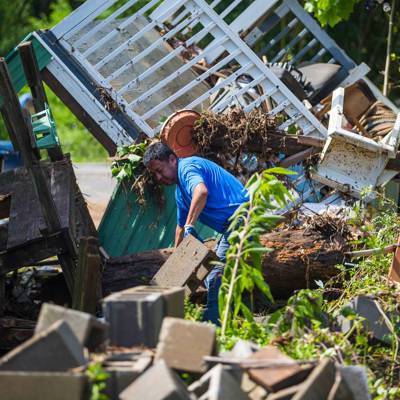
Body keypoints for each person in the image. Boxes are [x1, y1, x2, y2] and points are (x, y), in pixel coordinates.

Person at [143, 142, 249, 325]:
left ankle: (217, 326)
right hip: (230, 228)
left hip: (243, 219)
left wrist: (191, 225)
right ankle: (225, 318)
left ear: (172, 160)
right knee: (212, 276)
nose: (159, 177)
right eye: (155, 174)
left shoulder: (188, 167)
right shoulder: (180, 192)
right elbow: (180, 228)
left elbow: (201, 192)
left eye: (160, 170)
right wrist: (176, 263)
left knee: (216, 275)